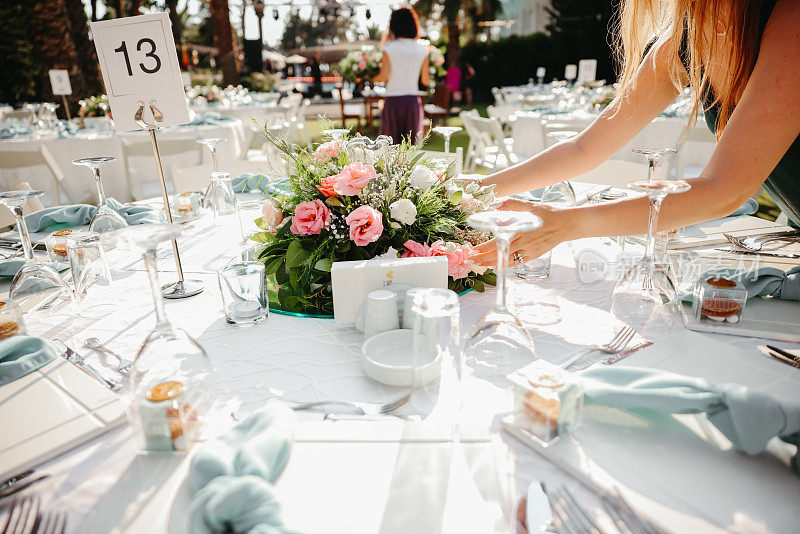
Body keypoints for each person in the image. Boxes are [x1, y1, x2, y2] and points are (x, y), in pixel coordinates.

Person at [474, 0, 800, 268]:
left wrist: (565, 224)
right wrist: (474, 190)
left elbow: (724, 191)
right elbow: (585, 148)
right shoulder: (685, 37)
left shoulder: (789, 17)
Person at [372, 5, 430, 144]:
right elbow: (426, 81)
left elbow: (383, 76)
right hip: (412, 102)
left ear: (394, 25)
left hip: (393, 101)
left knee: (390, 146)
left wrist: (369, 77)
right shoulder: (422, 50)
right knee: (411, 147)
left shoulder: (389, 48)